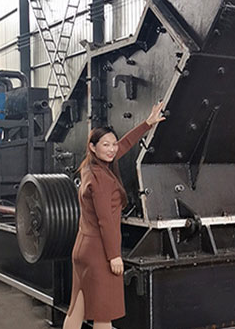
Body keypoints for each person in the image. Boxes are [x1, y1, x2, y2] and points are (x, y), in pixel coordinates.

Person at [63, 102, 166, 329]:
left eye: (113, 144)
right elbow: (106, 221)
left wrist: (147, 123)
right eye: (105, 145)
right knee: (104, 314)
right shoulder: (102, 179)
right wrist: (114, 256)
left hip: (82, 248)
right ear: (92, 147)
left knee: (77, 307)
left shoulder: (89, 169)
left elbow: (124, 144)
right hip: (99, 252)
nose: (112, 149)